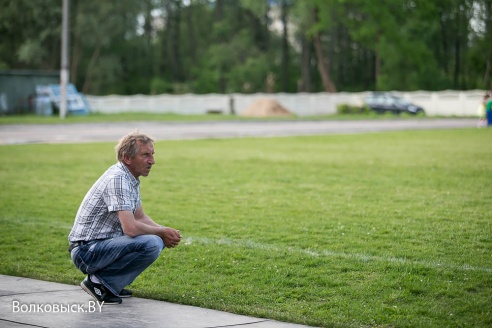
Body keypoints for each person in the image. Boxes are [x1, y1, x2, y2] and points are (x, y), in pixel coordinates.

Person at [68, 131, 182, 304]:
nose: (152, 161)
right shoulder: (118, 179)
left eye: (152, 154)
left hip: (98, 246)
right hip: (86, 251)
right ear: (127, 158)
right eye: (145, 155)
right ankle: (99, 283)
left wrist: (166, 232)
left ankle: (110, 284)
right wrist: (161, 232)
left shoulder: (129, 178)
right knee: (151, 242)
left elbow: (140, 217)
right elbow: (131, 228)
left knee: (156, 238)